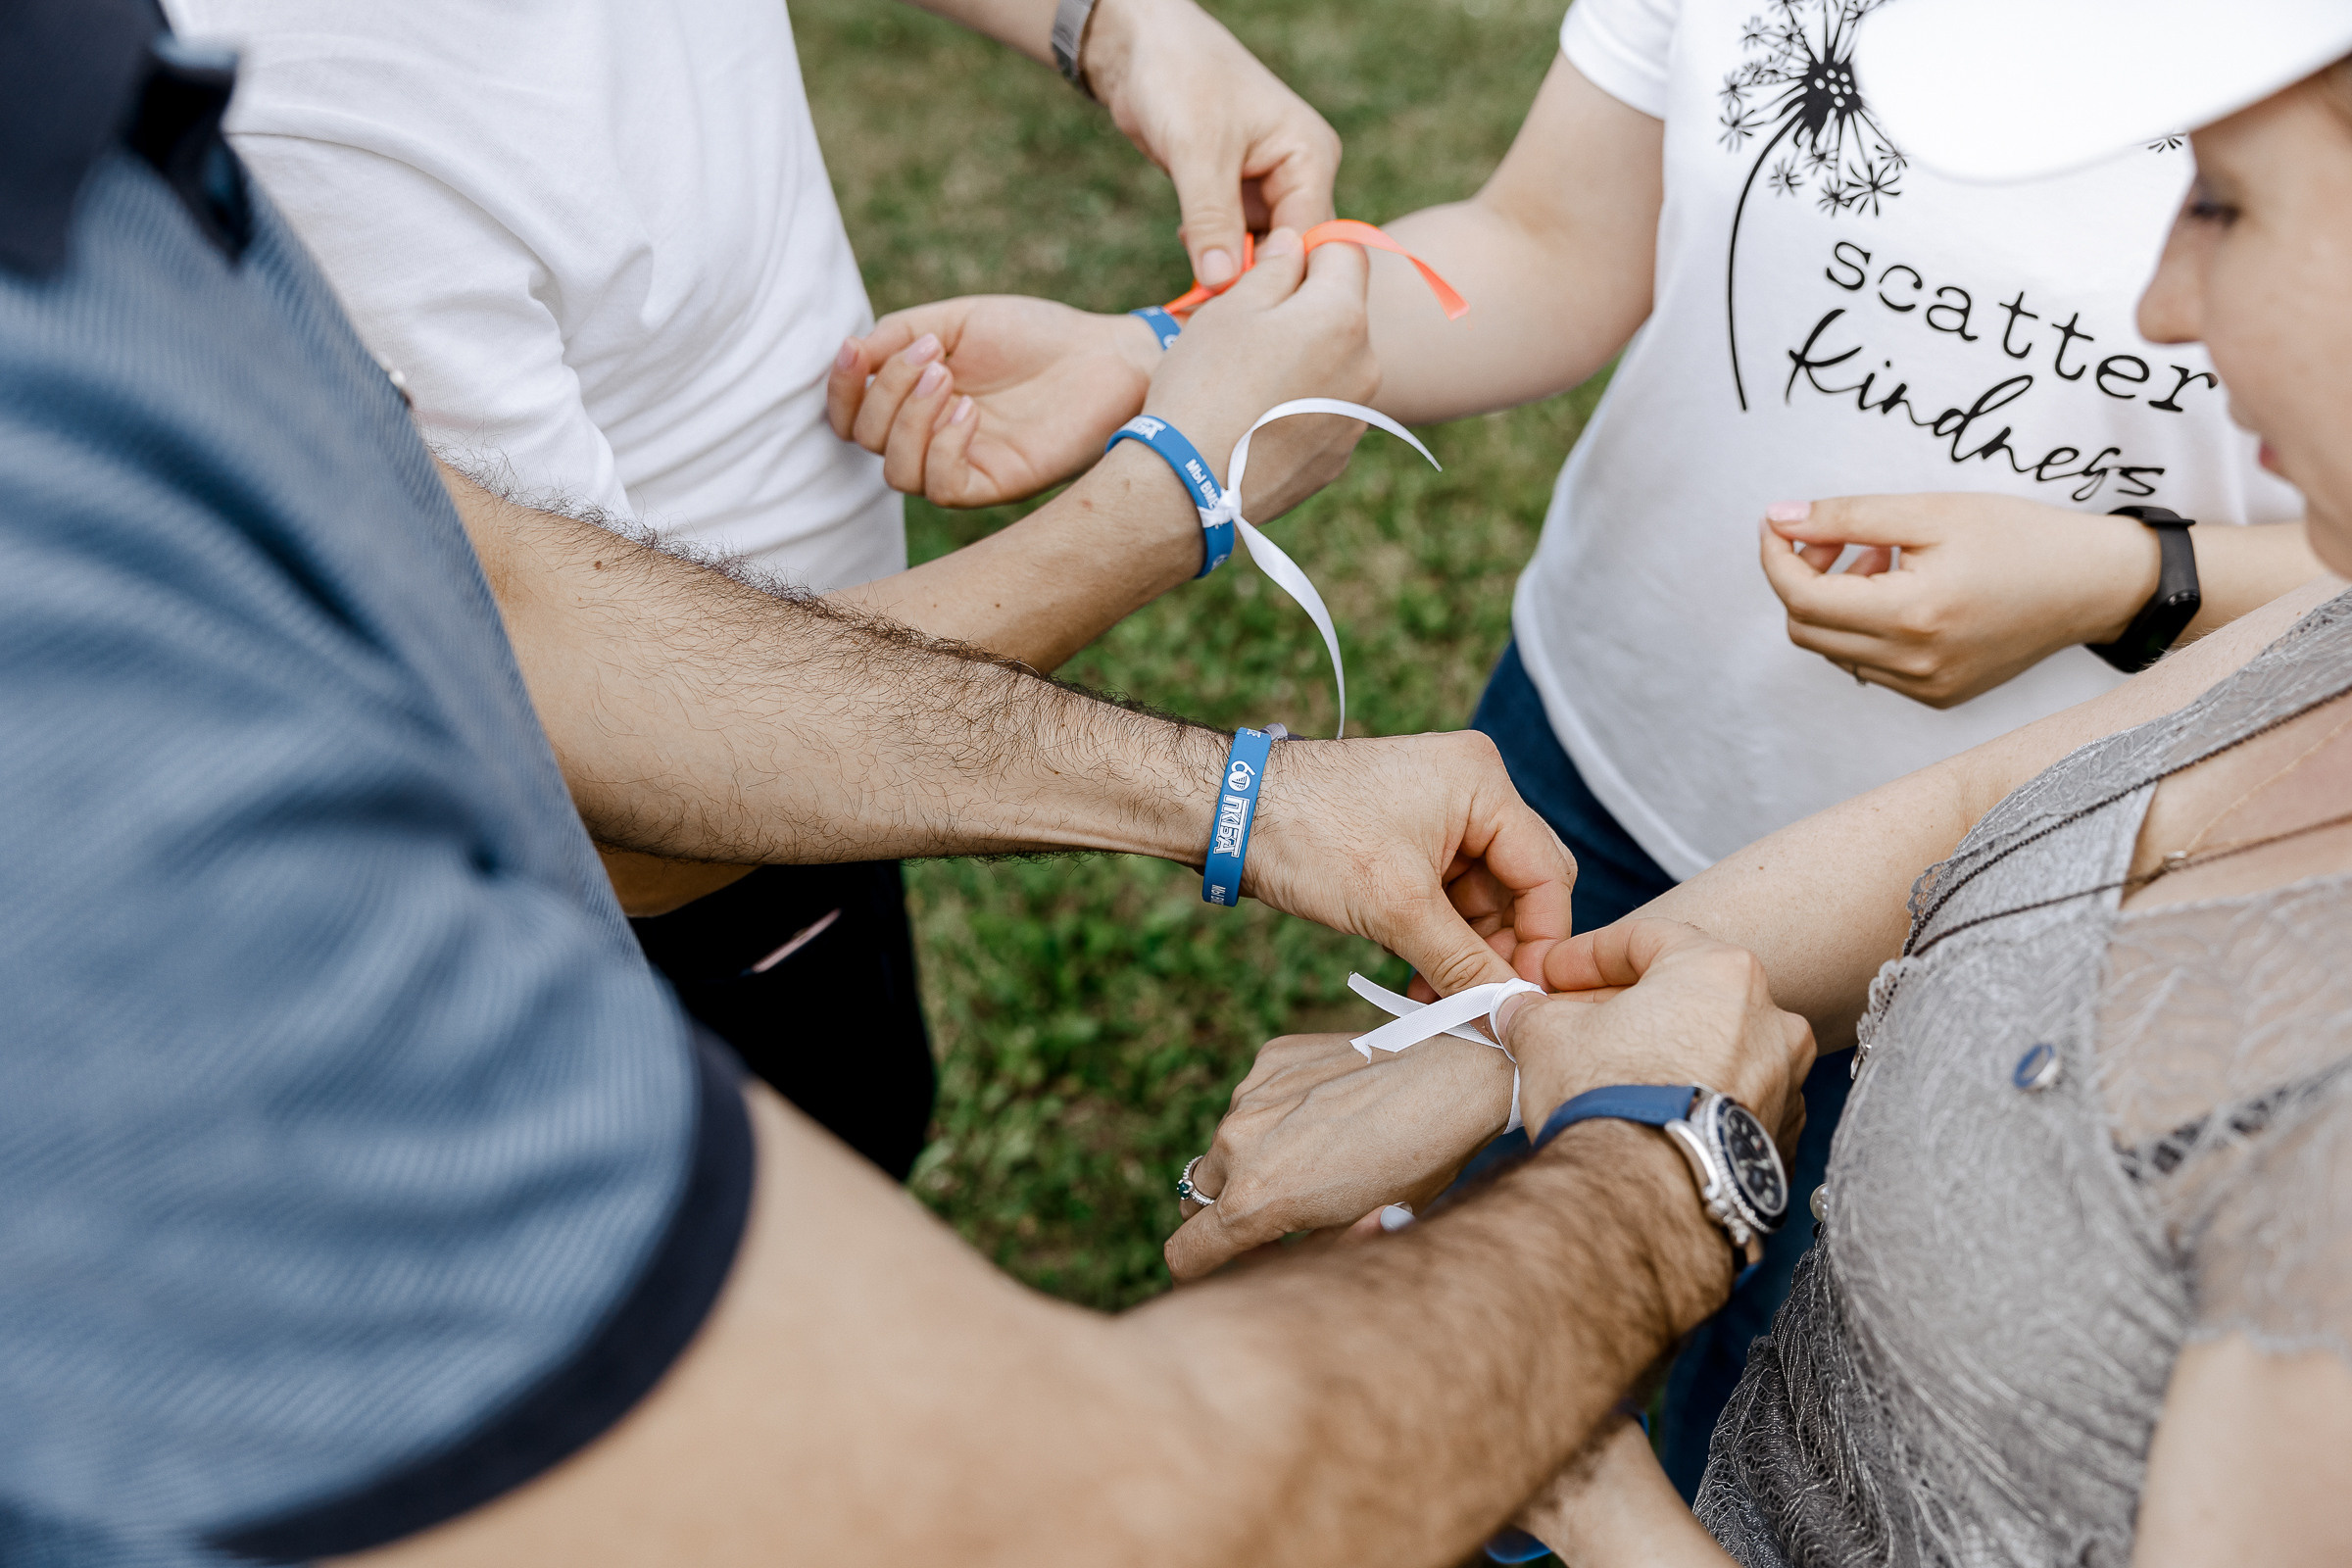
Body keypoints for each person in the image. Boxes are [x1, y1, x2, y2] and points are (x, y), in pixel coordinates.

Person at [0, 11, 1818, 1561]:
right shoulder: (122, 738)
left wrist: (1236, 792)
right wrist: (1664, 1178)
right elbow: (1086, 1509)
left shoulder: (108, 148)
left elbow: (528, 610)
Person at [828, 0, 2327, 1484]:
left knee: (1804, 1395)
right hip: (1597, 761)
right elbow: (1548, 241)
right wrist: (1171, 352)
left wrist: (2138, 575)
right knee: (1473, 1307)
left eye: (2221, 205)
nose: (2166, 297)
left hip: (2037, 894)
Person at [163, 0, 1349, 1179]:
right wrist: (1170, 496)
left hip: (850, 754)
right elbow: (621, 794)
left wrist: (1110, 26)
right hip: (678, 896)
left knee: (874, 1115)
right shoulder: (298, 130)